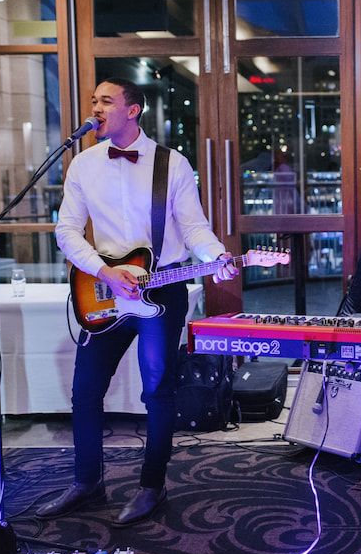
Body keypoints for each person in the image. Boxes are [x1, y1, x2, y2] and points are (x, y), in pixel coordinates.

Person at [36, 77, 238, 526]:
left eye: (106, 101)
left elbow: (194, 227)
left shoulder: (172, 164)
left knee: (158, 391)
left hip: (161, 289)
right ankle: (87, 483)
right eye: (94, 100)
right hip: (104, 289)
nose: (96, 107)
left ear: (133, 110)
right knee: (85, 392)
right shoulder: (83, 165)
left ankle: (151, 486)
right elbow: (67, 230)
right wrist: (103, 270)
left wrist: (216, 256)